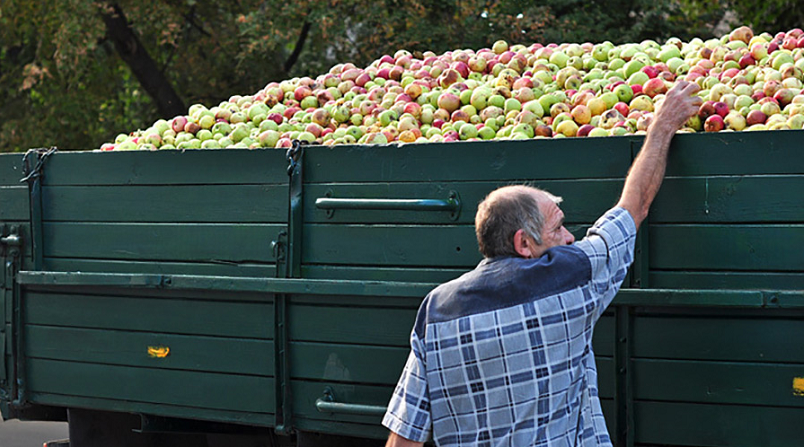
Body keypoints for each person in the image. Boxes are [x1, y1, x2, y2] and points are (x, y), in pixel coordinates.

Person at [382, 81, 702, 447]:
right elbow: (634, 207)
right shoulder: (569, 277)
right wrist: (662, 126)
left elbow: (403, 439)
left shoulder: (436, 310)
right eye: (558, 226)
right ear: (524, 243)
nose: (569, 237)